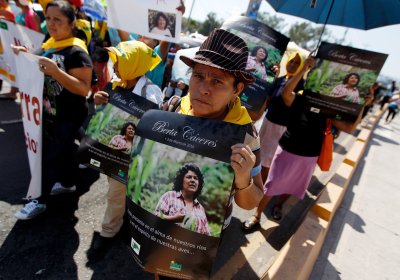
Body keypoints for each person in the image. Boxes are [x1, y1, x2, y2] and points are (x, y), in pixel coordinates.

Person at [242, 54, 373, 229]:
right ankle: (257, 215)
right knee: (272, 182)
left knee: (294, 185)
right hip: (287, 148)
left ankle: (279, 205)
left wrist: (363, 106)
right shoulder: (301, 96)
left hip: (310, 154)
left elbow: (348, 128)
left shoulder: (330, 107)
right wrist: (304, 68)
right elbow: (286, 93)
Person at [14, 0, 93, 220]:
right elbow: (39, 65)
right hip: (50, 113)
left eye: (57, 19)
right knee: (64, 151)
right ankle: (68, 183)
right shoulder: (49, 44)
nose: (51, 24)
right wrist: (25, 55)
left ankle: (38, 200)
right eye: (48, 18)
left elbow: (83, 88)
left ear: (71, 22)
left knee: (49, 156)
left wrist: (57, 73)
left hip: (68, 114)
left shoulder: (77, 52)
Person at [90, 40, 163, 256]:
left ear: (134, 64)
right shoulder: (115, 84)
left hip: (135, 158)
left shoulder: (151, 93)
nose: (115, 66)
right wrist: (98, 102)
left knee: (118, 195)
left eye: (120, 61)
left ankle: (108, 232)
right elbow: (105, 117)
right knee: (119, 193)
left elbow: (154, 128)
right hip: (114, 152)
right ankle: (123, 225)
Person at [242, 51, 304, 229]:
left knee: (268, 168)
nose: (292, 65)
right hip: (267, 125)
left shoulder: (301, 84)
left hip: (281, 130)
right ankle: (251, 193)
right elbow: (267, 99)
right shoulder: (280, 78)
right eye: (291, 62)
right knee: (255, 159)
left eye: (296, 63)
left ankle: (258, 204)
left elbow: (287, 97)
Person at [154, 163, 210, 235]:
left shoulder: (201, 209)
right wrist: (172, 219)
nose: (193, 180)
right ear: (181, 180)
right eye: (189, 177)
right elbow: (156, 216)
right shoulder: (170, 196)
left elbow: (207, 235)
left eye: (196, 178)